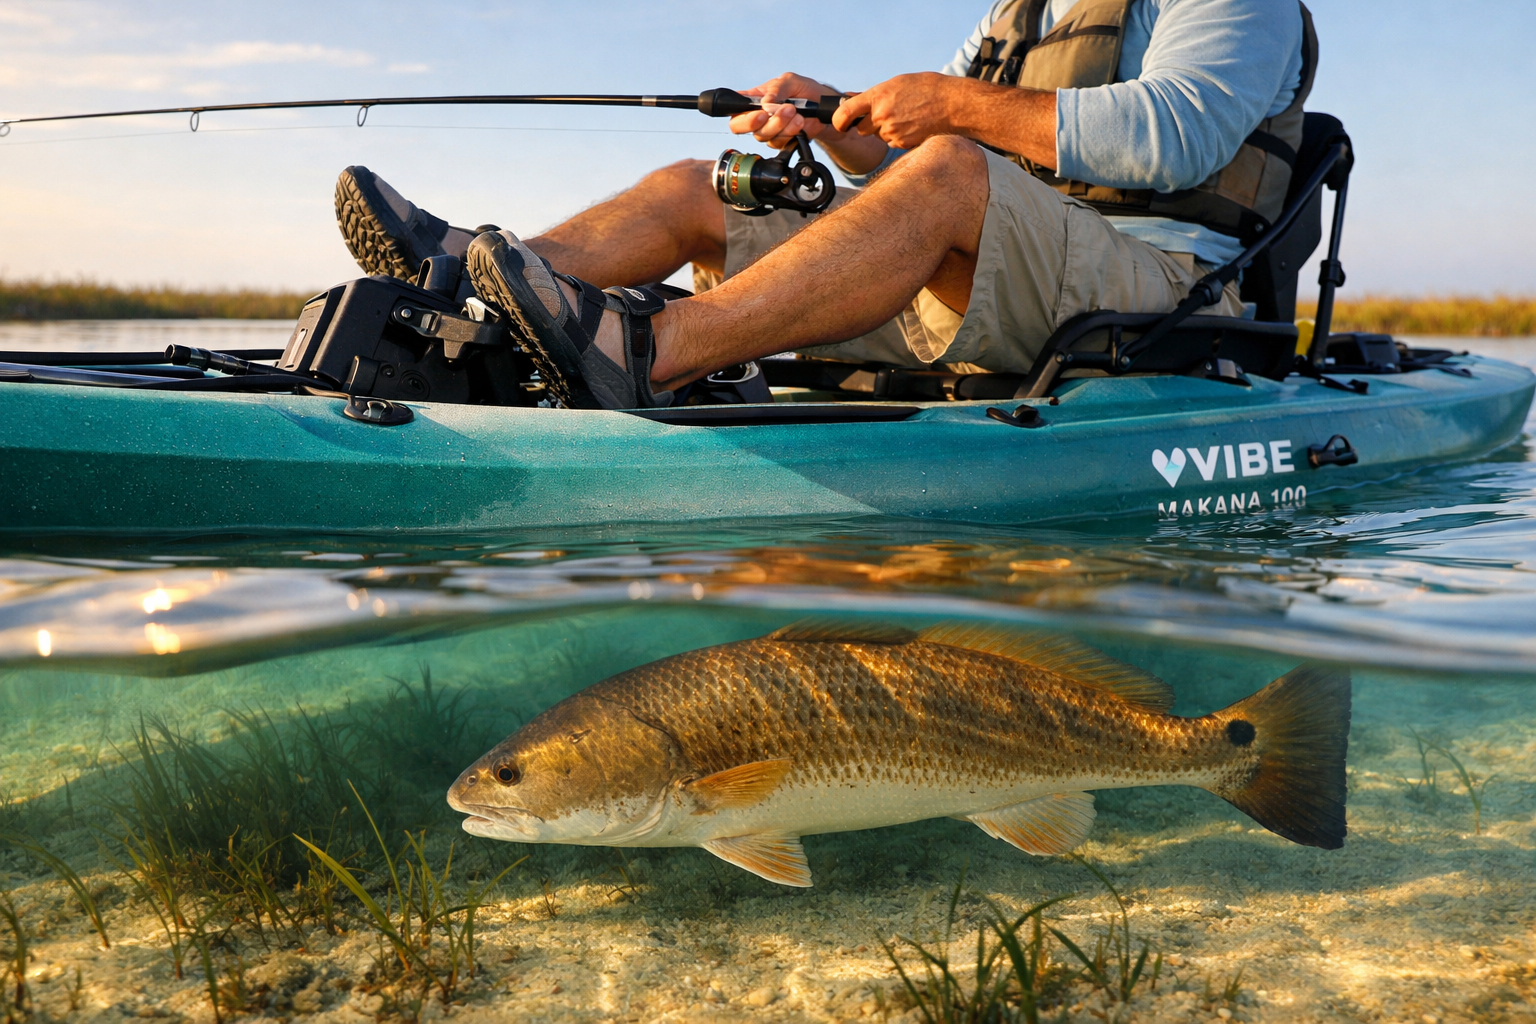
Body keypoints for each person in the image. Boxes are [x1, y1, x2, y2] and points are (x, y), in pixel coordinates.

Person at [334, 0, 1314, 410]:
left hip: (1167, 287)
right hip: (1012, 259)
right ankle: (456, 289)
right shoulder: (1016, 17)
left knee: (948, 167)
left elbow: (1177, 133)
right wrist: (831, 121)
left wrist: (950, 111)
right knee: (695, 189)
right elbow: (905, 179)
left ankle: (649, 353)